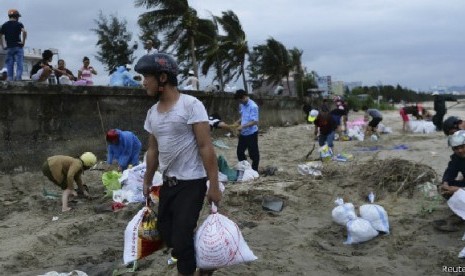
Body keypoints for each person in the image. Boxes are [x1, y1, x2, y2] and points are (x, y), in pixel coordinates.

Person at [134, 53, 221, 276]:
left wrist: (213, 185)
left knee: (181, 237)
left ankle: (189, 272)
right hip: (168, 183)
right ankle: (206, 260)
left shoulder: (191, 105)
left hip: (193, 181)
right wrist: (146, 181)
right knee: (168, 234)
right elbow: (153, 150)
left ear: (162, 78)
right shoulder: (152, 113)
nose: (144, 82)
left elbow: (205, 146)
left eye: (147, 77)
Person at [234, 89, 260, 172]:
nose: (240, 103)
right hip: (243, 134)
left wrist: (243, 126)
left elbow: (255, 121)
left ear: (244, 97)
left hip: (251, 133)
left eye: (240, 100)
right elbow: (243, 116)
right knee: (240, 152)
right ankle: (245, 168)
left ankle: (255, 170)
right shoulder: (242, 105)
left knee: (253, 153)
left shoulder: (253, 106)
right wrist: (237, 122)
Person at [0, 9, 27, 81]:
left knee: (9, 64)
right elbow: (24, 32)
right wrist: (23, 42)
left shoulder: (4, 25)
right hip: (18, 46)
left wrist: (3, 45)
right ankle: (18, 78)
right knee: (19, 63)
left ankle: (10, 79)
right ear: (16, 16)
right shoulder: (19, 24)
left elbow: (0, 35)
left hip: (9, 47)